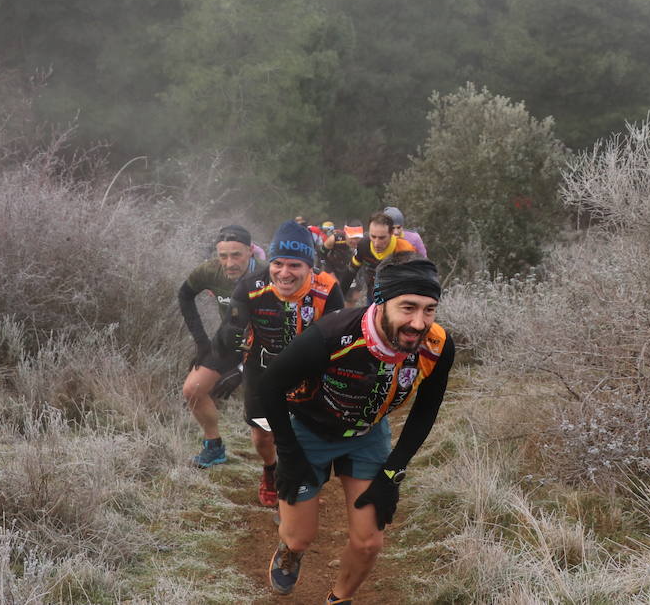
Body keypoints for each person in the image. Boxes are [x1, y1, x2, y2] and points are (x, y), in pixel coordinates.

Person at [259, 255, 455, 602]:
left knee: (369, 542)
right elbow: (270, 386)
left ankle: (340, 598)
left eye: (429, 310)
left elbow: (426, 409)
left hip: (367, 435)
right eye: (407, 308)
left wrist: (394, 470)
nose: (418, 322)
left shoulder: (437, 346)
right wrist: (287, 454)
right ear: (380, 302)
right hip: (310, 430)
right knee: (299, 536)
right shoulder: (334, 334)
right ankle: (291, 550)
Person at [225, 220, 344, 507]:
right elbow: (231, 330)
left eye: (295, 266)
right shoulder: (251, 285)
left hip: (308, 371)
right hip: (262, 369)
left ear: (309, 267)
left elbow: (338, 339)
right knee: (263, 434)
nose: (284, 273)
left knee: (304, 430)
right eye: (278, 264)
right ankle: (270, 470)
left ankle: (304, 480)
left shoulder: (327, 289)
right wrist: (228, 366)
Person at [179, 225, 260, 468]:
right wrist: (202, 342)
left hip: (268, 346)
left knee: (266, 412)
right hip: (229, 339)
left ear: (250, 251)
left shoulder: (268, 275)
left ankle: (279, 461)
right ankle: (213, 447)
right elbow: (185, 295)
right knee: (193, 389)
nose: (229, 263)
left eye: (236, 255)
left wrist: (242, 370)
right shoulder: (210, 271)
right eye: (223, 255)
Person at [339, 212, 416, 305]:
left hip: (397, 301)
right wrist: (338, 298)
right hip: (372, 296)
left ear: (391, 233)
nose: (376, 243)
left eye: (382, 238)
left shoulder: (405, 249)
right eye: (373, 236)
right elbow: (351, 271)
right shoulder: (364, 245)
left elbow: (415, 281)